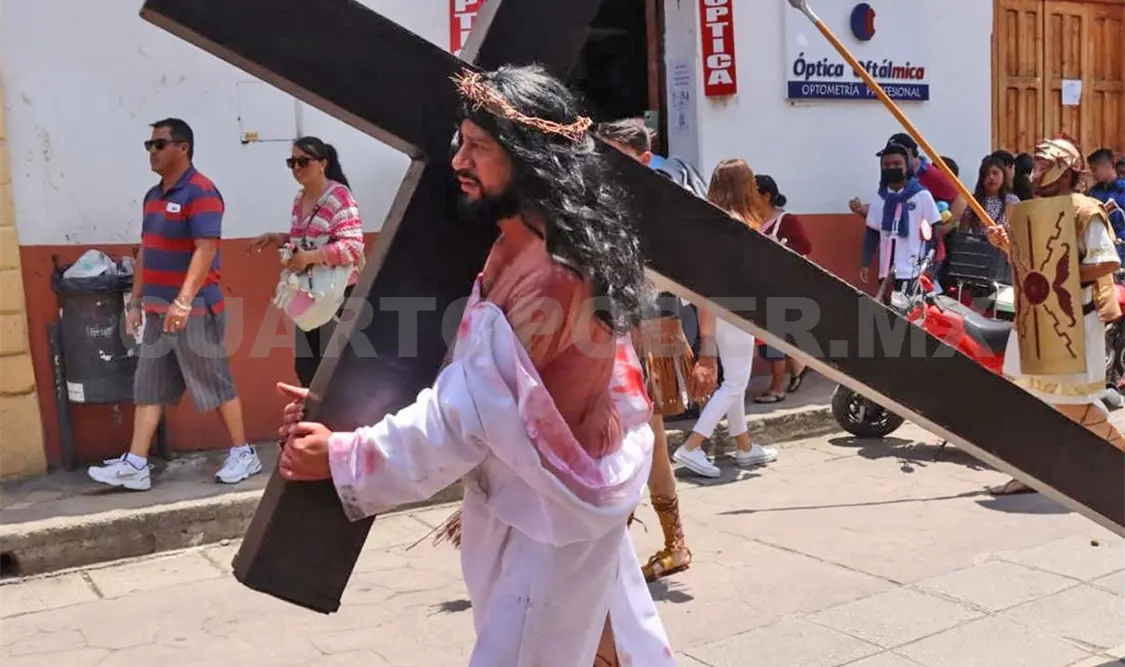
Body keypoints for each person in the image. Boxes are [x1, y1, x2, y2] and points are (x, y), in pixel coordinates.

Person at [275, 65, 674, 667]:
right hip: (529, 498)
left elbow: (465, 415)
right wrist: (342, 414)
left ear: (530, 157)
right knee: (606, 648)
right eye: (461, 141)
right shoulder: (514, 238)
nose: (458, 160)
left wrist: (343, 456)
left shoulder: (554, 272)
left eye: (479, 148)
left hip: (553, 521)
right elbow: (481, 378)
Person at [88, 118, 262, 491]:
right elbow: (146, 250)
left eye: (159, 144)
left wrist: (182, 303)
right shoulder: (153, 197)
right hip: (156, 311)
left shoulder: (201, 192)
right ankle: (135, 464)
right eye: (148, 145)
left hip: (194, 310)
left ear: (182, 147)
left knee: (215, 383)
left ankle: (243, 452)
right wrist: (134, 303)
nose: (152, 152)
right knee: (148, 386)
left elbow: (206, 249)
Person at [595, 118, 718, 582]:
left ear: (644, 160)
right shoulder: (598, 206)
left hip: (650, 335)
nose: (605, 166)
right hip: (604, 330)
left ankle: (669, 541)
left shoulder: (668, 214)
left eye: (616, 157)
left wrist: (708, 355)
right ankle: (624, 543)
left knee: (649, 441)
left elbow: (704, 283)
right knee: (615, 440)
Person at [984, 136, 1125, 496]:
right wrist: (1005, 244)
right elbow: (1031, 264)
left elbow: (1106, 260)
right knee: (1027, 399)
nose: (1036, 172)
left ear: (1065, 171)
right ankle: (1033, 474)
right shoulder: (1031, 211)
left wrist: (1060, 271)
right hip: (1034, 318)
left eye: (1045, 166)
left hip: (1070, 321)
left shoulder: (1083, 209)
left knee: (1070, 403)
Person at [673, 159, 779, 478]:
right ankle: (691, 446)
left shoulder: (712, 221)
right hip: (733, 309)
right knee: (735, 382)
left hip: (723, 310)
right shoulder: (738, 223)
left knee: (734, 379)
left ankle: (744, 447)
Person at [249, 137, 365, 386]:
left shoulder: (338, 196)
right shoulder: (300, 199)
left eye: (303, 161)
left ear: (322, 163)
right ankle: (317, 421)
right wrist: (278, 238)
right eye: (291, 162)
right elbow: (305, 239)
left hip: (338, 294)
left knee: (333, 370)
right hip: (309, 292)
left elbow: (353, 247)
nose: (296, 168)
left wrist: (309, 258)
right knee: (306, 367)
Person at [753, 174, 812, 404]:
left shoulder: (786, 220)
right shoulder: (754, 220)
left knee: (773, 339)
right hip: (761, 287)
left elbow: (805, 247)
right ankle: (798, 367)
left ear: (766, 196)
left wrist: (779, 250)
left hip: (781, 289)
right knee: (770, 339)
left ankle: (777, 387)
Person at [857, 140, 941, 297]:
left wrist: (927, 264)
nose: (891, 168)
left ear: (906, 166)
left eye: (897, 164)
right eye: (886, 165)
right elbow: (872, 232)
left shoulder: (921, 195)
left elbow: (934, 230)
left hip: (912, 269)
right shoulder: (880, 198)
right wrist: (866, 262)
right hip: (886, 269)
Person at [961, 154, 1020, 234]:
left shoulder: (1012, 200)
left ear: (1003, 175)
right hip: (979, 245)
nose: (991, 177)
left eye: (995, 173)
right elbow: (963, 231)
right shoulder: (973, 201)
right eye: (986, 174)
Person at [1086, 148, 1125, 264]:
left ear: (1108, 165)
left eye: (1095, 169)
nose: (1093, 174)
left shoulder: (1123, 190)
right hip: (1100, 249)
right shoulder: (1093, 193)